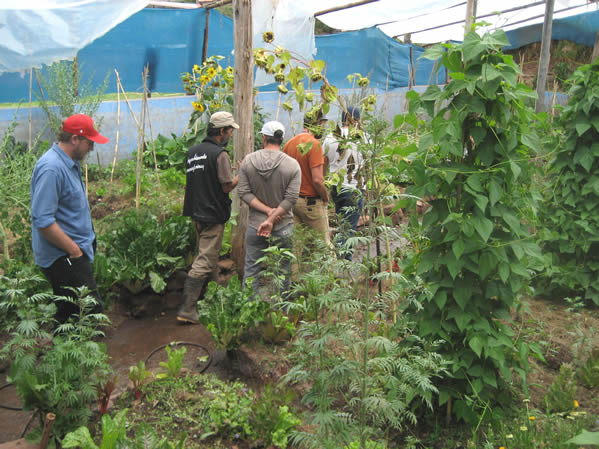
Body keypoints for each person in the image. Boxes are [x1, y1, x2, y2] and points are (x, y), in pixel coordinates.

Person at [31, 114, 108, 323]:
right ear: (74, 139)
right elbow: (43, 220)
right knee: (86, 316)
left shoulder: (68, 163)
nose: (92, 147)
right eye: (89, 142)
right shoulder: (52, 169)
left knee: (73, 313)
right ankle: (71, 352)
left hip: (73, 252)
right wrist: (74, 251)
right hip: (64, 256)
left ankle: (67, 350)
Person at [179, 111, 239, 324]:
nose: (231, 134)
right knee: (205, 259)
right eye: (230, 131)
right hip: (212, 213)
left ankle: (214, 295)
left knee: (208, 254)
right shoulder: (220, 154)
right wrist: (239, 176)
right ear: (221, 131)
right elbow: (226, 186)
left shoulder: (193, 152)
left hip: (196, 211)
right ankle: (187, 308)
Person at [237, 121, 300, 298]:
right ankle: (282, 314)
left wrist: (266, 212)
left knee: (251, 270)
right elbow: (291, 199)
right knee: (283, 271)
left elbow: (243, 192)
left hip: (255, 226)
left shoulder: (248, 161)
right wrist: (273, 216)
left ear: (263, 137)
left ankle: (249, 312)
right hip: (283, 225)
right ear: (282, 138)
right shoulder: (292, 165)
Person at [323, 106, 366, 260]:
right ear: (358, 120)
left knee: (342, 225)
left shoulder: (330, 137)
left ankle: (337, 260)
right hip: (354, 188)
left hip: (336, 188)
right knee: (348, 231)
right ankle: (342, 265)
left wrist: (324, 186)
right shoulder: (364, 137)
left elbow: (324, 163)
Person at [282, 112, 330, 246]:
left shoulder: (289, 144)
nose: (324, 129)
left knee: (296, 248)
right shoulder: (314, 145)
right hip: (311, 204)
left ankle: (297, 268)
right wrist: (325, 196)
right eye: (323, 125)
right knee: (324, 246)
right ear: (317, 124)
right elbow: (317, 180)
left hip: (293, 202)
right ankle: (330, 268)